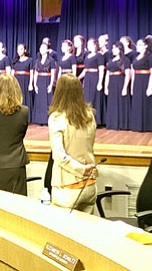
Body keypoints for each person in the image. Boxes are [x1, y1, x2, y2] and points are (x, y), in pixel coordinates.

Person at [47, 73, 98, 213]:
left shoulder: (57, 118)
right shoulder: (89, 116)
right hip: (89, 185)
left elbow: (59, 157)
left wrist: (81, 169)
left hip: (67, 189)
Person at [128, 37, 152, 132]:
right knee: (138, 103)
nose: (137, 47)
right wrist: (132, 86)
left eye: (140, 45)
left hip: (145, 80)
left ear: (145, 46)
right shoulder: (136, 58)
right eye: (137, 45)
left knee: (146, 103)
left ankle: (147, 126)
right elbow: (134, 72)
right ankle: (137, 125)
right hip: (137, 81)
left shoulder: (150, 57)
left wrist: (150, 87)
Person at [104, 41, 130, 130]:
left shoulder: (125, 60)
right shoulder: (111, 61)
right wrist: (106, 86)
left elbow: (128, 74)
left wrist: (125, 87)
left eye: (115, 48)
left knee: (121, 103)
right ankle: (112, 123)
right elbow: (108, 74)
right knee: (112, 103)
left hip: (120, 82)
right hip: (112, 83)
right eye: (113, 48)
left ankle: (122, 124)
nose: (113, 50)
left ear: (120, 49)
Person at [80, 38, 105, 126]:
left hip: (95, 78)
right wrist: (78, 78)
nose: (88, 46)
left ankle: (96, 120)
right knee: (87, 98)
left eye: (90, 45)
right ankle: (87, 118)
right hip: (88, 78)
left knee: (95, 98)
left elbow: (101, 69)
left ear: (95, 45)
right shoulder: (87, 56)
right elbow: (85, 70)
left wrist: (100, 82)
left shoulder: (99, 56)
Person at [32, 42, 56, 125]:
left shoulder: (51, 60)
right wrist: (34, 84)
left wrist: (51, 84)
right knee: (40, 100)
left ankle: (47, 120)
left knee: (48, 100)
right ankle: (39, 120)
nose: (41, 50)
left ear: (47, 50)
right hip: (39, 81)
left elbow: (53, 73)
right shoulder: (37, 60)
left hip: (47, 80)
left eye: (43, 48)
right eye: (40, 48)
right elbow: (36, 73)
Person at [11, 43, 34, 122]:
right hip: (17, 81)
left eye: (21, 49)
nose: (19, 51)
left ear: (25, 50)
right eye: (18, 49)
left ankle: (26, 117)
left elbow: (31, 72)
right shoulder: (15, 61)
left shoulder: (30, 60)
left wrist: (31, 84)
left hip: (25, 81)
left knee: (25, 98)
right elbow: (12, 73)